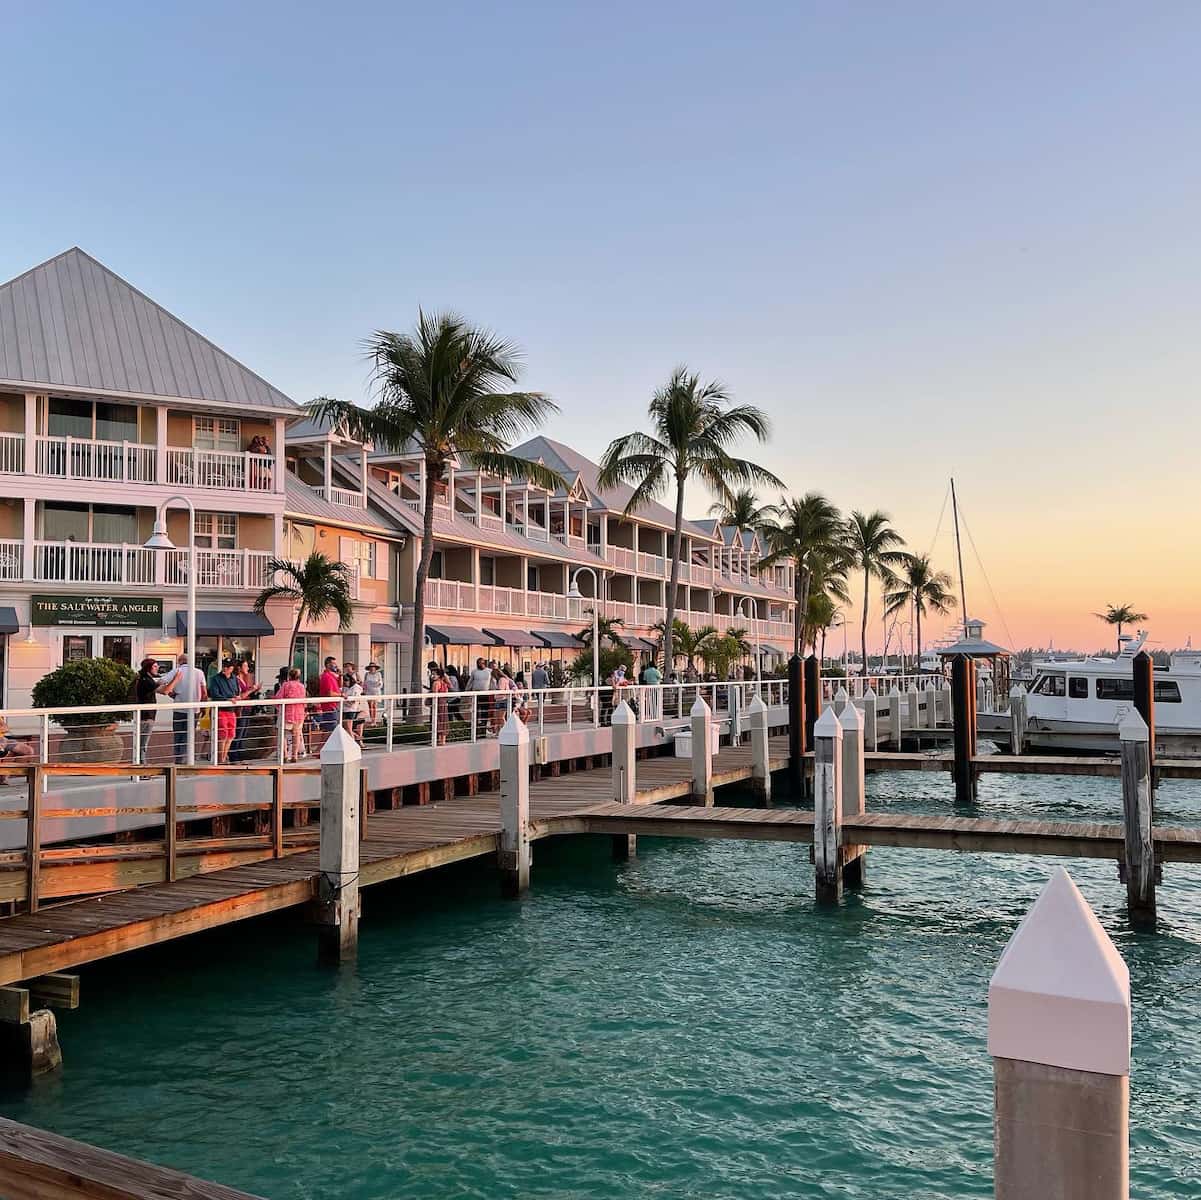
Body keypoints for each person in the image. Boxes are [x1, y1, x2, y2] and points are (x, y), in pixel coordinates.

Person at [157, 652, 207, 762]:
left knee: (178, 734)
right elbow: (204, 692)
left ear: (180, 661)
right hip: (194, 709)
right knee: (189, 735)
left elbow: (161, 681)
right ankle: (185, 758)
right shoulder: (199, 672)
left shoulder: (176, 671)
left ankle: (179, 758)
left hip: (179, 707)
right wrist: (203, 707)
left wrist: (170, 692)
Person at [207, 660, 240, 765]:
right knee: (222, 734)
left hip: (231, 710)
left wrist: (235, 697)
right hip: (221, 710)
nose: (227, 669)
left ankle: (224, 757)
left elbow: (236, 692)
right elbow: (214, 694)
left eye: (229, 667)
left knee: (231, 735)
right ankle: (220, 759)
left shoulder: (234, 678)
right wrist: (227, 699)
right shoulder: (215, 679)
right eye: (226, 667)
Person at [231, 659, 260, 761]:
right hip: (241, 709)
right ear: (239, 668)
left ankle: (239, 755)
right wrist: (251, 690)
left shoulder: (244, 679)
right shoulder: (236, 680)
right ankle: (234, 756)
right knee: (239, 732)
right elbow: (240, 696)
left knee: (243, 733)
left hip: (247, 708)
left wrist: (254, 690)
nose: (247, 668)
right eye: (245, 666)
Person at [277, 668, 309, 761]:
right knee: (296, 735)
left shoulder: (286, 685)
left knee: (282, 734)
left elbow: (279, 697)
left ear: (289, 676)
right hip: (299, 713)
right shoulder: (302, 686)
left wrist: (278, 707)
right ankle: (294, 755)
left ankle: (285, 755)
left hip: (287, 713)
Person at [134, 658, 160, 762]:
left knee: (141, 742)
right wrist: (176, 678)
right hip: (146, 716)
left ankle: (140, 763)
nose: (157, 668)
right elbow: (165, 691)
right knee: (143, 743)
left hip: (145, 715)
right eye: (155, 666)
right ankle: (141, 764)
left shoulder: (143, 679)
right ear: (148, 668)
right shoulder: (146, 680)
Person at [317, 656, 341, 734]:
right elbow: (330, 693)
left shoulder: (331, 676)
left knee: (332, 731)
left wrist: (340, 676)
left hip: (333, 707)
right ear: (328, 665)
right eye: (334, 663)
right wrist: (341, 695)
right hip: (330, 707)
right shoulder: (327, 676)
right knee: (332, 731)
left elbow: (339, 687)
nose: (336, 665)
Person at [341, 669, 366, 744]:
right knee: (345, 728)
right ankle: (357, 738)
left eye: (346, 681)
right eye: (344, 681)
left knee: (348, 729)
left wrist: (345, 699)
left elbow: (353, 701)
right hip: (344, 710)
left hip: (351, 711)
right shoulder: (345, 687)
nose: (345, 683)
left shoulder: (356, 688)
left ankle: (354, 744)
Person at [430, 666, 451, 745]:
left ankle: (438, 740)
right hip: (444, 703)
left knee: (437, 719)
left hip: (438, 703)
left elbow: (434, 694)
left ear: (439, 675)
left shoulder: (436, 683)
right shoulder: (444, 684)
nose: (432, 676)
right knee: (444, 720)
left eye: (434, 674)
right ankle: (443, 740)